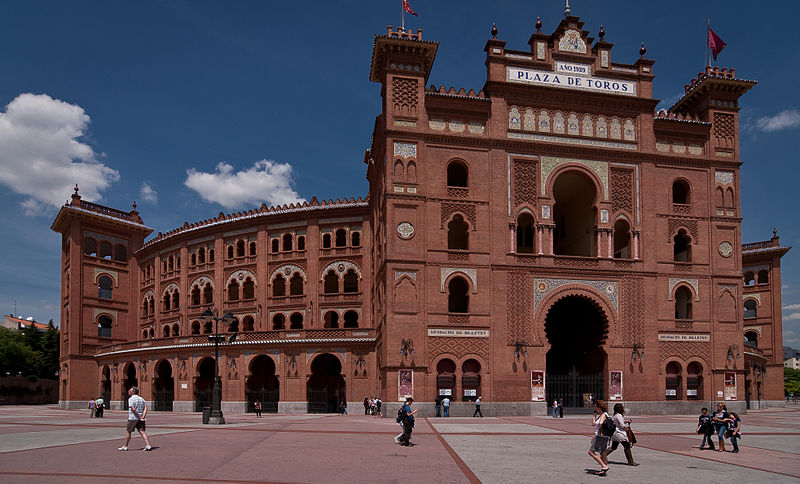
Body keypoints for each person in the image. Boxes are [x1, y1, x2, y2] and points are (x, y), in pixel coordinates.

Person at [118, 386, 152, 451]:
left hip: (133, 418)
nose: (128, 391)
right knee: (142, 431)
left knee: (128, 431)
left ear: (133, 392)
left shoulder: (131, 399)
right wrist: (143, 416)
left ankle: (125, 446)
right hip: (141, 419)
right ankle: (148, 445)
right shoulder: (142, 399)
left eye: (129, 390)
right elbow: (145, 408)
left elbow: (133, 409)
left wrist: (138, 416)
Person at [588, 400, 611, 476]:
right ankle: (604, 468)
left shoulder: (603, 415)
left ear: (599, 407)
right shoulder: (604, 414)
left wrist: (599, 432)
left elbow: (600, 423)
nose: (595, 408)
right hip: (605, 436)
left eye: (596, 407)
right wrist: (594, 416)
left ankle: (604, 466)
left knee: (591, 452)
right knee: (603, 452)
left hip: (600, 436)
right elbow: (593, 424)